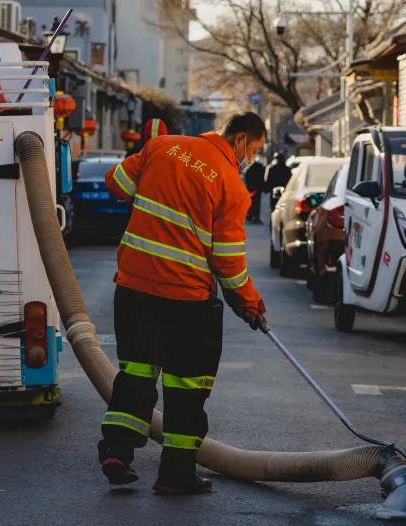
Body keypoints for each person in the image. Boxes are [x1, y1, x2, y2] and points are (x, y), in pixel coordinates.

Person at [99, 111, 268, 495]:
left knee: (137, 375)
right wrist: (250, 303)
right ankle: (175, 476)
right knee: (187, 388)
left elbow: (116, 184)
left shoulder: (163, 146)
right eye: (254, 149)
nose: (252, 158)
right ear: (240, 140)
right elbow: (227, 259)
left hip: (134, 289)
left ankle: (117, 450)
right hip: (187, 300)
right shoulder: (232, 186)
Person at [243, 158, 266, 224]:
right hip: (257, 189)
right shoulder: (259, 169)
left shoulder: (249, 169)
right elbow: (262, 179)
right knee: (256, 204)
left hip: (251, 189)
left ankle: (250, 217)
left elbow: (247, 179)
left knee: (251, 203)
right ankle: (255, 217)